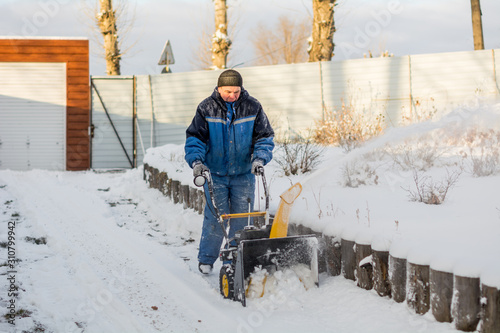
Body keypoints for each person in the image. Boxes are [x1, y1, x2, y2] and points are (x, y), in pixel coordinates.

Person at [184, 69, 274, 274]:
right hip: (214, 174)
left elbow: (264, 137)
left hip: (243, 174)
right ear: (218, 88)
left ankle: (234, 258)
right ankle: (207, 258)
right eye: (228, 91)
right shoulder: (206, 108)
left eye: (236, 91)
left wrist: (259, 158)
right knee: (216, 216)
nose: (232, 96)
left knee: (242, 218)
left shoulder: (253, 106)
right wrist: (197, 162)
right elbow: (195, 139)